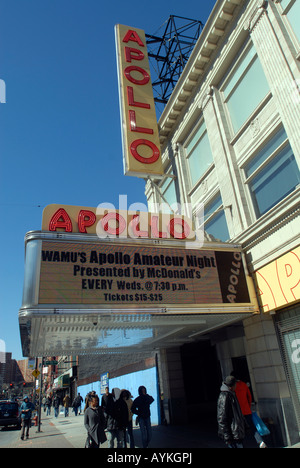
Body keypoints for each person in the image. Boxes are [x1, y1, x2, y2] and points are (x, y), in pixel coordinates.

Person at [230, 372, 267, 448]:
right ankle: (260, 441)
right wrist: (248, 406)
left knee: (238, 430)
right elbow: (249, 397)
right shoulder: (244, 384)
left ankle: (240, 445)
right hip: (247, 410)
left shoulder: (232, 387)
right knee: (252, 427)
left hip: (238, 412)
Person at [217, 375, 245, 448]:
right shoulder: (225, 396)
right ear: (232, 385)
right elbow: (221, 417)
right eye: (235, 384)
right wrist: (226, 435)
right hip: (232, 433)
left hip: (236, 432)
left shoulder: (231, 394)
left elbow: (237, 413)